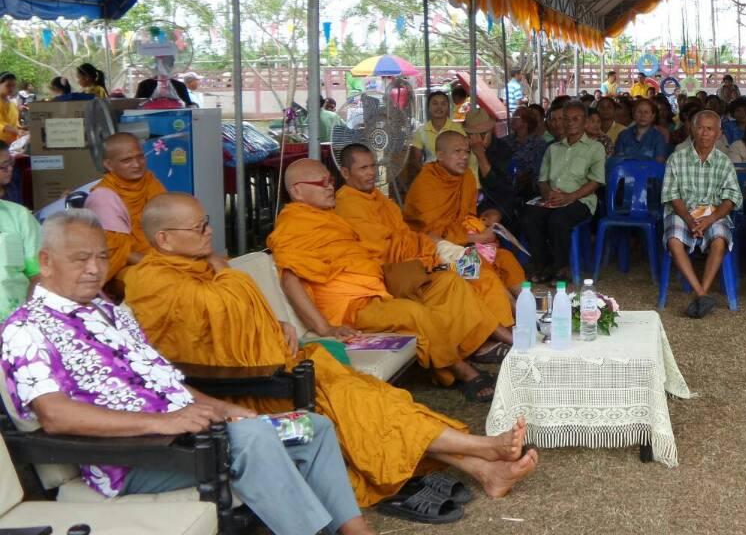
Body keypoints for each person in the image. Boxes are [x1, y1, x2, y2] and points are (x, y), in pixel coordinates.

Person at [125, 193, 537, 509]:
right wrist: (226, 274)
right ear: (164, 239)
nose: (209, 232)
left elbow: (241, 314)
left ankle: (483, 466)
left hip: (286, 364)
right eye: (199, 227)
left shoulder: (203, 267)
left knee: (379, 400)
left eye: (207, 223)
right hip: (249, 389)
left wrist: (277, 326)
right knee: (363, 409)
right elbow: (198, 339)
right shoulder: (151, 283)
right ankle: (482, 449)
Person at [1, 210, 377, 535]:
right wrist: (163, 423)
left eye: (102, 257)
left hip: (194, 436)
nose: (95, 269)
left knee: (311, 427)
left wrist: (224, 409)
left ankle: (355, 530)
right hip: (137, 456)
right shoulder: (26, 329)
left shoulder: (111, 313)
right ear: (46, 262)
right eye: (81, 259)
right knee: (252, 439)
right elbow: (56, 415)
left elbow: (165, 380)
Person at [270, 159, 502, 401]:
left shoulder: (331, 218)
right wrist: (325, 328)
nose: (330, 187)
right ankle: (464, 372)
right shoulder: (293, 225)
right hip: (352, 308)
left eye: (331, 181)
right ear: (297, 191)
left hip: (380, 287)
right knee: (414, 312)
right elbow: (290, 281)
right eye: (322, 183)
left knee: (450, 283)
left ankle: (460, 352)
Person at [403, 133, 527, 295]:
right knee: (481, 267)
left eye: (467, 152)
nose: (464, 157)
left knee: (506, 258)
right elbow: (430, 234)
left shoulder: (467, 177)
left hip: (463, 242)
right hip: (434, 250)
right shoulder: (425, 184)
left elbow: (465, 218)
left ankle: (527, 303)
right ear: (440, 155)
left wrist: (481, 227)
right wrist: (478, 239)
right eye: (457, 151)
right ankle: (511, 307)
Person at [661, 111, 743, 319]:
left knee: (719, 239)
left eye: (710, 129)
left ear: (719, 133)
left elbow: (731, 198)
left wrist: (710, 219)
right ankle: (701, 294)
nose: (704, 133)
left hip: (713, 214)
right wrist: (690, 220)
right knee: (673, 240)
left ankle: (701, 292)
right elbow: (672, 196)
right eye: (700, 127)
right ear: (691, 129)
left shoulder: (724, 162)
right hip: (682, 213)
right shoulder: (676, 158)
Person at [520, 101, 606, 283]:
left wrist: (570, 197)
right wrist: (547, 195)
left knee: (558, 220)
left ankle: (562, 268)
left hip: (580, 200)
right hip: (552, 198)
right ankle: (543, 265)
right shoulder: (553, 149)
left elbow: (596, 181)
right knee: (529, 217)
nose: (570, 123)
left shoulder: (595, 148)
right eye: (566, 119)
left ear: (585, 122)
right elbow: (542, 179)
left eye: (576, 119)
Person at [83, 132, 166, 283]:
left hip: (159, 257)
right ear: (109, 165)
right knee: (160, 279)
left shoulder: (150, 181)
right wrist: (163, 265)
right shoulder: (104, 197)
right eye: (127, 160)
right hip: (122, 268)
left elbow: (170, 224)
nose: (137, 164)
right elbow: (120, 253)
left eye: (140, 157)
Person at [0, 143, 37, 319]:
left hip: (13, 322)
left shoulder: (19, 216)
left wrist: (26, 320)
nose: (9, 170)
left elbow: (38, 275)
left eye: (10, 164)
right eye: (2, 167)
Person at [409, 91, 465, 180]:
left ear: (448, 108)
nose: (439, 107)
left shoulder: (458, 129)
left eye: (443, 104)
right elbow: (416, 160)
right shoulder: (421, 131)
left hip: (454, 177)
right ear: (428, 107)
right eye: (435, 103)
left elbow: (464, 155)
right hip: (430, 177)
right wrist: (428, 174)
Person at [504, 106, 549, 199]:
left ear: (526, 122)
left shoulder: (538, 143)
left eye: (516, 117)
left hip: (529, 189)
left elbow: (538, 171)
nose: (512, 119)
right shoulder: (506, 141)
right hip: (505, 185)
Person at [614, 98, 668, 162]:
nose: (643, 115)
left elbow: (659, 162)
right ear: (634, 115)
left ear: (652, 116)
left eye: (646, 112)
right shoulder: (623, 135)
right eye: (639, 112)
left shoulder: (658, 137)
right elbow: (618, 160)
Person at [0, 73, 21, 144]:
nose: (11, 88)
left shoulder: (12, 104)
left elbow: (15, 124)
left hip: (12, 143)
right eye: (8, 85)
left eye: (14, 85)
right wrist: (17, 131)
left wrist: (22, 128)